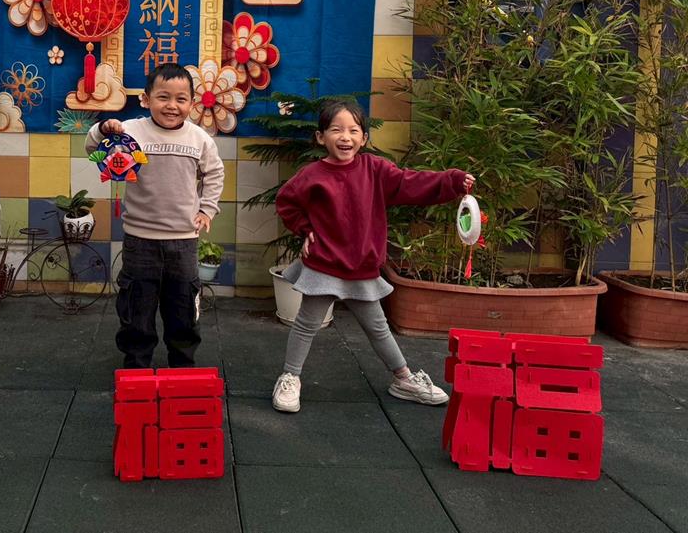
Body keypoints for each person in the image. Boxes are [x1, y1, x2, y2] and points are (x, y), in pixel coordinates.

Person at [271, 99, 475, 412]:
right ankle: (290, 377)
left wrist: (452, 180)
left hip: (361, 266)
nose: (345, 137)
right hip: (323, 263)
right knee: (306, 324)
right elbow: (286, 201)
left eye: (353, 130)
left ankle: (403, 378)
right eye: (336, 130)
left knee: (378, 327)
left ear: (364, 138)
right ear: (320, 137)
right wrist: (304, 228)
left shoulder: (375, 170)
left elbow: (411, 182)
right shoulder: (311, 175)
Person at [85, 63, 225, 369]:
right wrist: (103, 129)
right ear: (146, 99)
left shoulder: (199, 139)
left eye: (181, 99)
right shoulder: (131, 131)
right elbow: (92, 146)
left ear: (192, 103)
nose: (172, 105)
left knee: (183, 309)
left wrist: (207, 208)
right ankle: (136, 366)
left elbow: (215, 173)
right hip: (140, 241)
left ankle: (183, 366)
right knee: (137, 308)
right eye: (163, 97)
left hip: (184, 242)